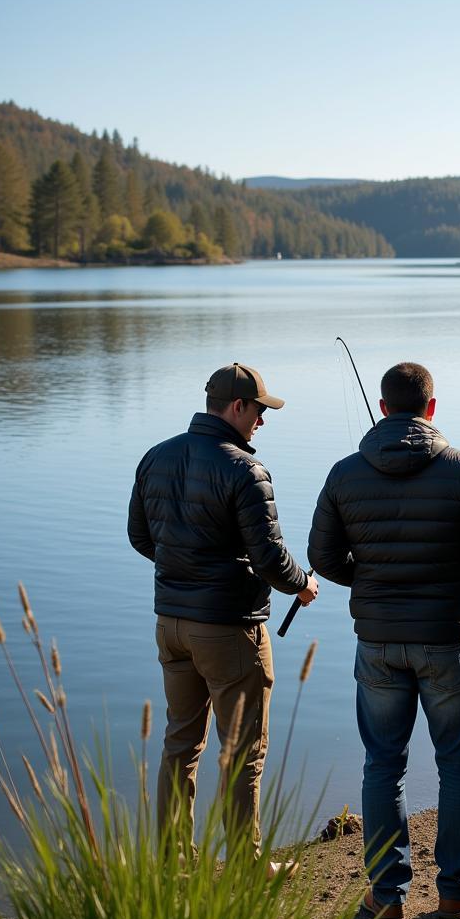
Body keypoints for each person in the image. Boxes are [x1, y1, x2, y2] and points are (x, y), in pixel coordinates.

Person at [308, 362, 460, 919]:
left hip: (378, 640)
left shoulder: (344, 473)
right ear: (431, 407)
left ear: (382, 408)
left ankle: (387, 895)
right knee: (459, 763)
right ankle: (458, 889)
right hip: (448, 636)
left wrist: (375, 580)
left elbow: (324, 560)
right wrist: (454, 569)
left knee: (382, 764)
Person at [128, 362, 317, 866]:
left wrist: (186, 569)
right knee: (243, 754)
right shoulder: (245, 470)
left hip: (170, 626)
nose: (262, 421)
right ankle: (247, 867)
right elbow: (271, 560)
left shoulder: (155, 457)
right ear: (237, 407)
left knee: (180, 744)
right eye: (259, 411)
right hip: (230, 632)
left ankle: (173, 865)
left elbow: (142, 538)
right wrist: (303, 584)